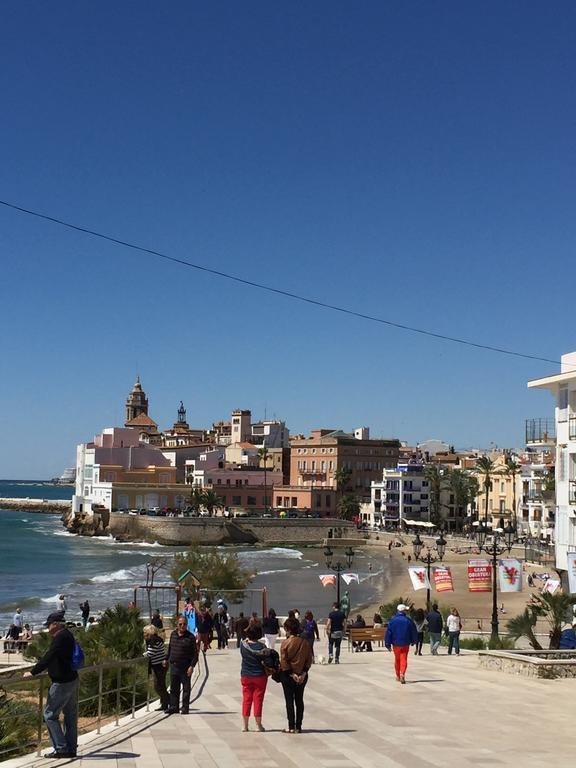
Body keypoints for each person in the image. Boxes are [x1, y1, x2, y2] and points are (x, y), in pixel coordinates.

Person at [22, 611, 78, 758]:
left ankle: (61, 748)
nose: (47, 628)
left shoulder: (60, 637)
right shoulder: (67, 635)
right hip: (71, 679)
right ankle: (71, 749)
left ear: (56, 624)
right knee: (70, 715)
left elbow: (49, 656)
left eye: (49, 625)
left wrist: (33, 672)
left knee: (49, 715)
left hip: (62, 682)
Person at [279, 617, 313, 734]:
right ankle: (298, 726)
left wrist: (291, 674)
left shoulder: (285, 643)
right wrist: (303, 672)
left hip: (288, 676)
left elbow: (284, 662)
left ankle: (291, 726)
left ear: (288, 629)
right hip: (302, 675)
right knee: (299, 700)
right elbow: (309, 659)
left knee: (289, 701)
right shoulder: (305, 643)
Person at [164, 615, 198, 714]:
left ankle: (185, 708)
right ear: (177, 624)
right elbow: (170, 649)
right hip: (174, 665)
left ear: (187, 625)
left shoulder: (190, 637)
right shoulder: (173, 634)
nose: (182, 626)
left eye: (184, 624)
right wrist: (166, 659)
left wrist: (191, 666)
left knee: (186, 688)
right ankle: (174, 707)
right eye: (180, 624)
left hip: (185, 667)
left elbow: (195, 654)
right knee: (174, 688)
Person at [239, 624, 269, 732]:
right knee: (258, 700)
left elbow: (244, 639)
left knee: (246, 700)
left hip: (246, 675)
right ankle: (258, 725)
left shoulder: (243, 646)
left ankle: (245, 725)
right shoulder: (262, 647)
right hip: (259, 676)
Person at [385, 604, 418, 683]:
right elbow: (413, 631)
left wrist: (387, 644)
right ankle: (402, 673)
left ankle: (397, 676)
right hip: (405, 643)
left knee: (397, 659)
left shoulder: (392, 621)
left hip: (396, 644)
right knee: (404, 658)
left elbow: (389, 633)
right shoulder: (408, 620)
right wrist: (414, 641)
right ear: (404, 611)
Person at [143, 624, 169, 711]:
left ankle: (169, 700)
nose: (144, 634)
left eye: (145, 632)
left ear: (149, 632)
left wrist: (144, 655)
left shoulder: (153, 640)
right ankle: (165, 704)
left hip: (159, 666)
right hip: (159, 666)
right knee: (161, 685)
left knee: (158, 686)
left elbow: (151, 653)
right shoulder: (157, 639)